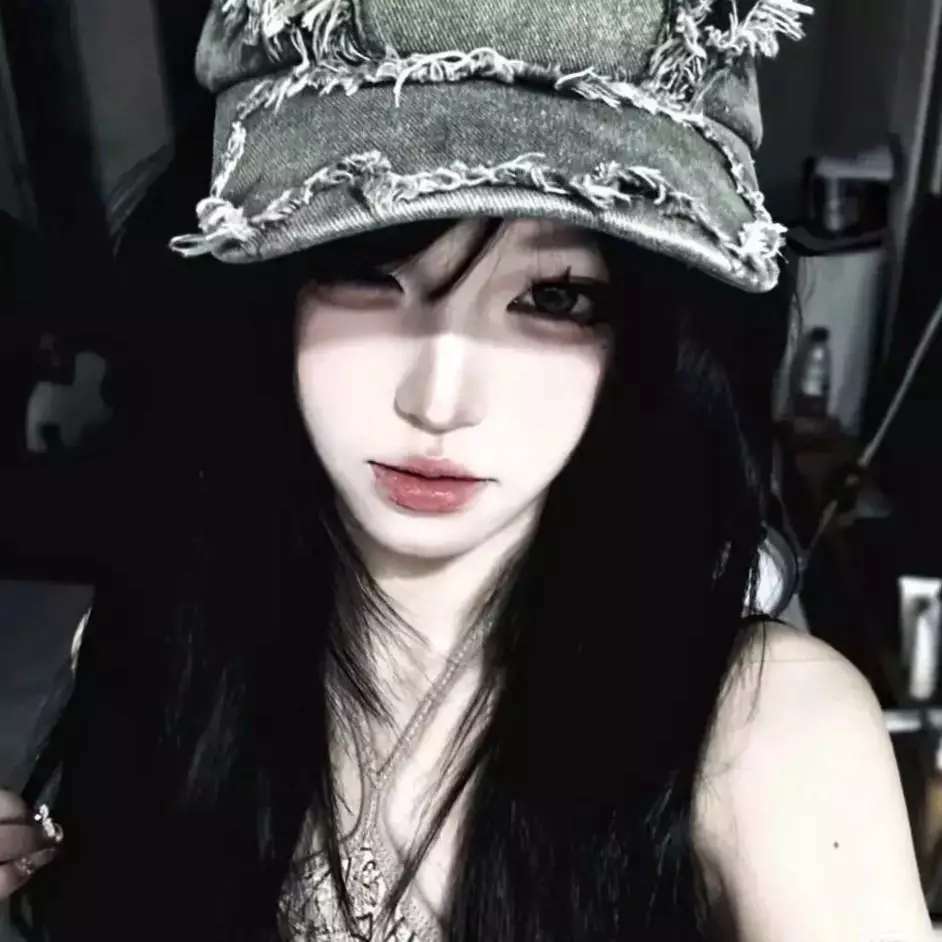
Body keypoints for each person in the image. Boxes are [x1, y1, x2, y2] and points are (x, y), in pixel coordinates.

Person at [0, 1, 934, 940]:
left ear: (651, 341)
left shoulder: (772, 736)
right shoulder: (161, 640)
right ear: (266, 292)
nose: (440, 400)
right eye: (367, 269)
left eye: (556, 297)